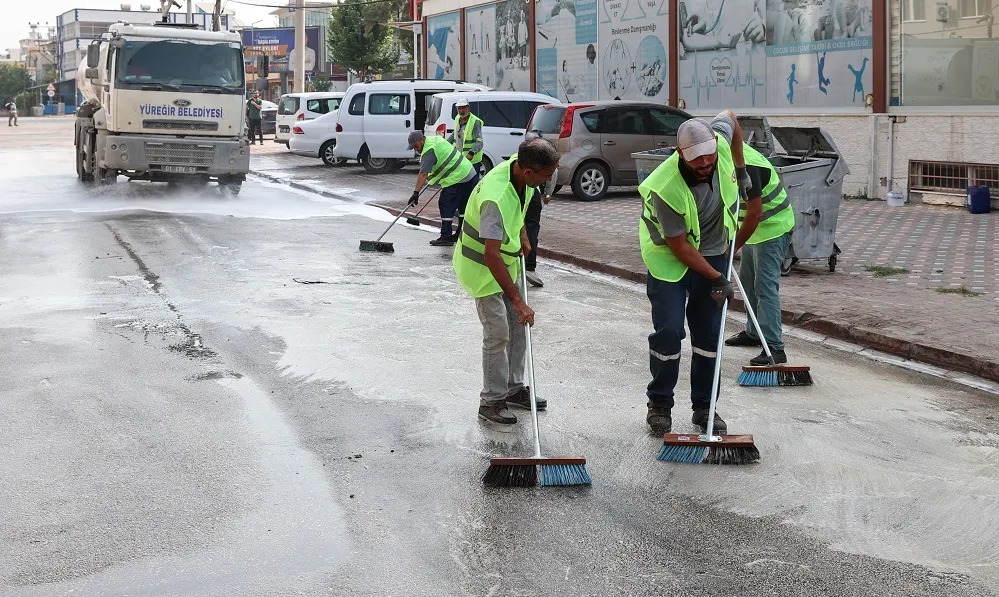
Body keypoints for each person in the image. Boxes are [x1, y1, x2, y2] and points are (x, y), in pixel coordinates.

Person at [637, 112, 761, 436]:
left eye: (709, 156)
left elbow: (731, 119)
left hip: (714, 252)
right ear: (680, 154)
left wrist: (742, 167)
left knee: (709, 334)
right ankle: (660, 404)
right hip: (670, 260)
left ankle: (705, 406)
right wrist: (717, 277)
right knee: (669, 331)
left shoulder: (716, 143)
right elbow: (680, 247)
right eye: (697, 160)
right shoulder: (665, 186)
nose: (706, 164)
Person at [452, 138, 560, 424]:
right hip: (483, 268)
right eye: (547, 176)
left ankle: (513, 389)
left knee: (518, 326)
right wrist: (518, 300)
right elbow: (490, 255)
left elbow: (519, 206)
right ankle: (491, 400)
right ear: (528, 172)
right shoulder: (495, 198)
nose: (549, 180)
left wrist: (522, 233)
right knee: (498, 332)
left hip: (507, 259)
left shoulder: (521, 169)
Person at [725, 143, 795, 365]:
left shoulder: (748, 165)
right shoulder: (726, 157)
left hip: (773, 227)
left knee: (764, 286)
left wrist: (732, 247)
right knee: (747, 283)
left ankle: (774, 347)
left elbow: (754, 212)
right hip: (752, 231)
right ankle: (754, 333)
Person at [407, 130, 480, 246]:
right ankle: (460, 234)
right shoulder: (435, 140)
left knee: (445, 204)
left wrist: (416, 193)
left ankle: (446, 236)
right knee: (463, 206)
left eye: (415, 146)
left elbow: (423, 174)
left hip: (457, 177)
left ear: (422, 140)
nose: (415, 149)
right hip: (469, 172)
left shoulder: (428, 151)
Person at [524, 168, 557, 288]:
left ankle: (522, 267)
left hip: (522, 194)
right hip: (531, 195)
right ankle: (529, 268)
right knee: (531, 229)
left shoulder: (521, 159)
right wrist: (548, 193)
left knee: (521, 229)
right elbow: (553, 173)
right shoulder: (545, 156)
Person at [447, 98, 484, 176]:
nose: (461, 111)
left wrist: (471, 153)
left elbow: (480, 142)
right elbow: (455, 134)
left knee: (472, 184)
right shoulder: (458, 118)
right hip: (460, 159)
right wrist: (445, 144)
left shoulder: (475, 122)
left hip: (472, 161)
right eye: (459, 108)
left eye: (463, 108)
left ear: (468, 108)